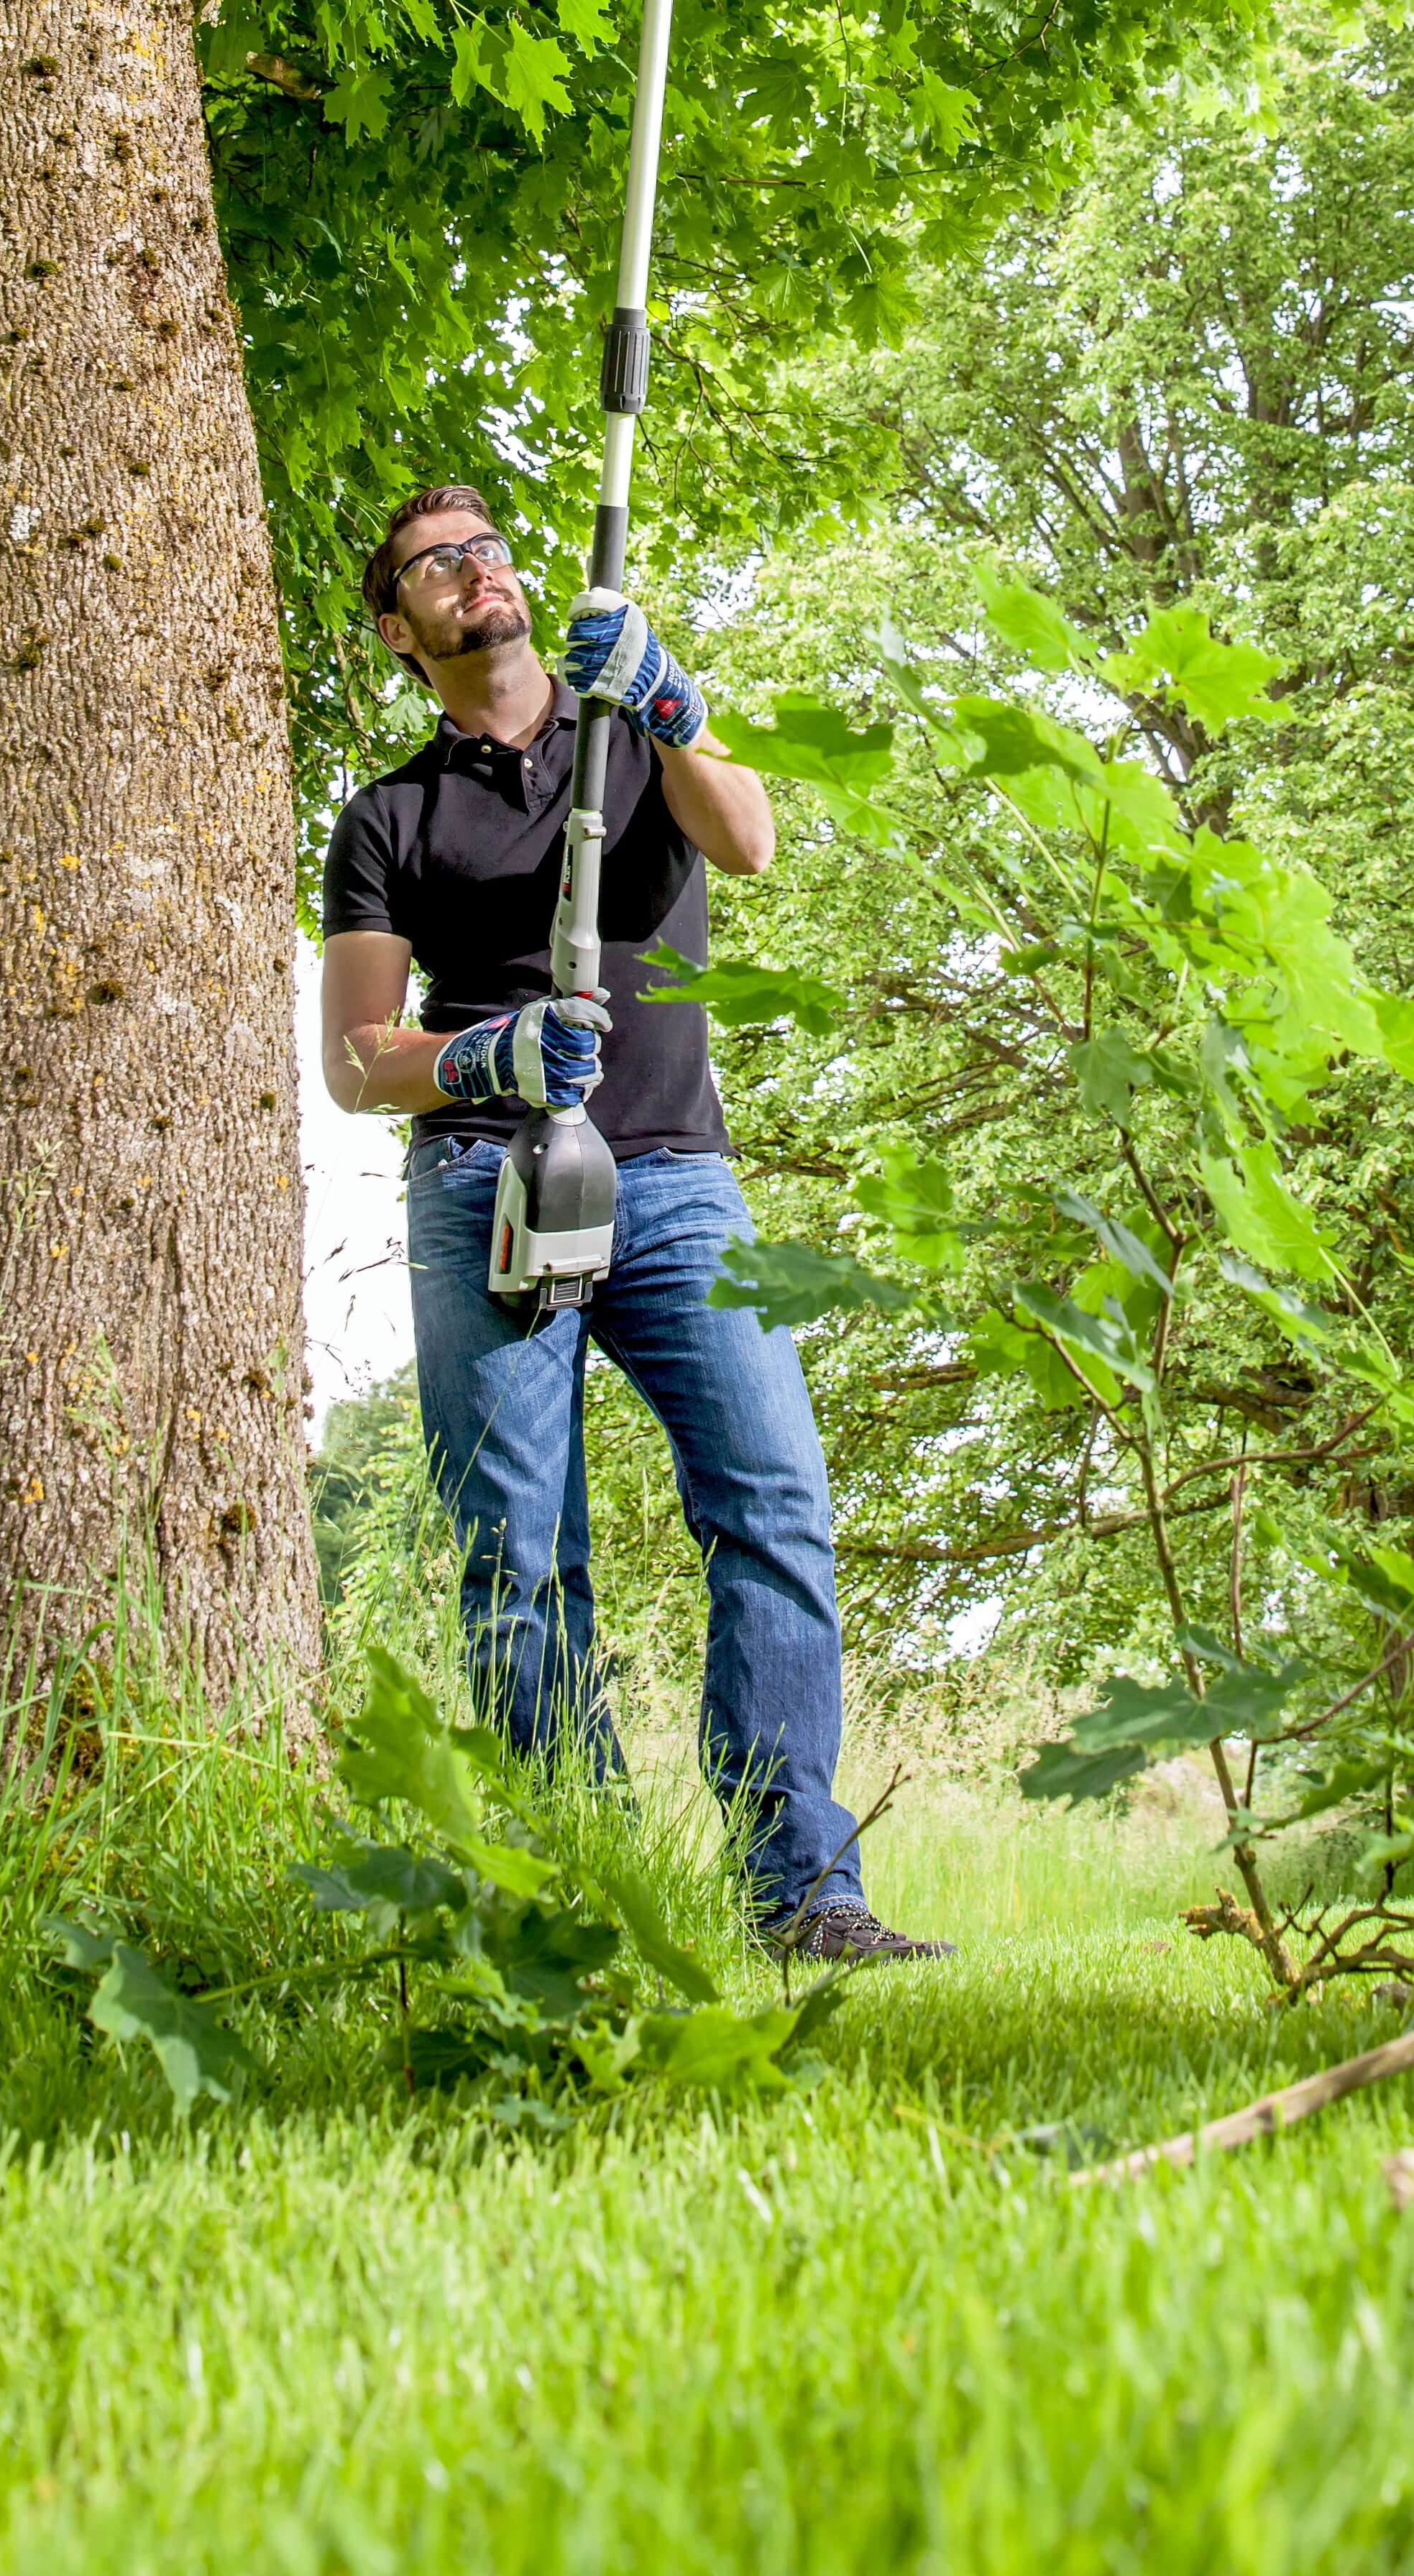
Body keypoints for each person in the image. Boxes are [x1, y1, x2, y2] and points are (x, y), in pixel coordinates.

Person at [317, 484, 945, 1965]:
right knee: (522, 1555)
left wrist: (671, 700)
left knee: (775, 1498)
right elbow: (356, 1059)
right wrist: (479, 1058)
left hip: (675, 1174)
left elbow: (752, 841)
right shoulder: (388, 817)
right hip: (486, 1179)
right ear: (403, 632)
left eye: (484, 548)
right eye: (433, 567)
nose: (472, 573)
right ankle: (586, 1896)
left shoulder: (629, 729)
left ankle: (802, 1892)